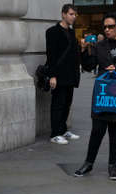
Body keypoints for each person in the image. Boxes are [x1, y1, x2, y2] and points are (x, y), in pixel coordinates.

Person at [74, 12, 116, 180]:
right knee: (97, 130)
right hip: (102, 93)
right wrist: (83, 50)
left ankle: (113, 166)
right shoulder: (100, 45)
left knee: (115, 132)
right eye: (105, 27)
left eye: (111, 26)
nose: (107, 30)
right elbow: (89, 67)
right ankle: (88, 163)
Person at [45, 3, 81, 145]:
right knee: (58, 104)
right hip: (59, 74)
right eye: (71, 14)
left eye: (75, 15)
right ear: (63, 14)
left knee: (67, 103)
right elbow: (51, 55)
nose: (74, 17)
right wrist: (52, 75)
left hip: (70, 74)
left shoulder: (72, 32)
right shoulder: (52, 32)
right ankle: (55, 133)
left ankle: (63, 129)